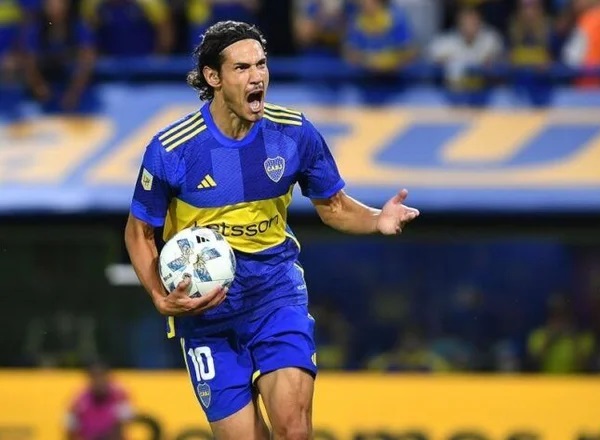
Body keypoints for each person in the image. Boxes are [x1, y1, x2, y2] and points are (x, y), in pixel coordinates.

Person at [124, 20, 419, 440]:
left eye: (261, 64)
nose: (257, 76)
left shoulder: (294, 133)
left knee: (294, 429)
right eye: (242, 68)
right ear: (213, 77)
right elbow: (139, 233)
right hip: (205, 314)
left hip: (274, 297)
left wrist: (377, 219)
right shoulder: (172, 149)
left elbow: (334, 206)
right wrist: (158, 294)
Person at [66, 362, 133, 440]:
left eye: (102, 377)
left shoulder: (119, 396)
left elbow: (124, 425)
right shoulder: (79, 399)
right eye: (95, 378)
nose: (99, 382)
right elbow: (70, 430)